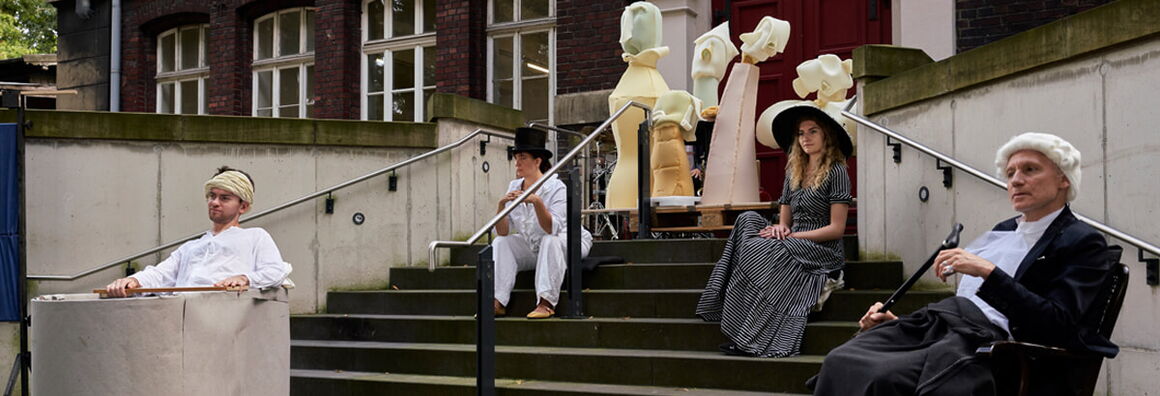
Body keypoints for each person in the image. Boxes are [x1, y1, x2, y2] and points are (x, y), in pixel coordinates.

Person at [810, 132, 1117, 396]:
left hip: (1002, 351)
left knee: (884, 377)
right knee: (841, 360)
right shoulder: (1003, 230)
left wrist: (987, 272)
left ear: (1064, 179)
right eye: (1010, 173)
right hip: (948, 331)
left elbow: (1057, 324)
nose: (1017, 180)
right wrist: (898, 323)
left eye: (1030, 169)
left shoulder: (1082, 242)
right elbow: (968, 306)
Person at [695, 103, 854, 357]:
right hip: (792, 239)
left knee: (765, 249)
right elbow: (784, 220)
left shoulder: (837, 172)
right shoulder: (795, 170)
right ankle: (732, 312)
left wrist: (790, 236)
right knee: (747, 221)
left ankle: (752, 338)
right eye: (801, 133)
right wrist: (780, 228)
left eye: (813, 131)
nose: (806, 138)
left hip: (822, 249)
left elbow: (836, 229)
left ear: (827, 135)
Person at [105, 166, 291, 297]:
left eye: (224, 198)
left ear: (243, 206)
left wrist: (245, 278)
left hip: (228, 322)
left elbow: (275, 271)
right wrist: (133, 281)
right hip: (182, 319)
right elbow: (161, 274)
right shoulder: (191, 247)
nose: (214, 202)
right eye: (212, 196)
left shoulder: (255, 237)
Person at [493, 128, 594, 319]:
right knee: (500, 243)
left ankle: (546, 302)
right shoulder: (514, 187)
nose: (517, 162)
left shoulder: (556, 187)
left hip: (567, 241)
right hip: (534, 246)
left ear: (537, 161)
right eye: (516, 157)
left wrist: (537, 202)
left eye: (522, 157)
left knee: (549, 240)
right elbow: (503, 232)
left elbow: (552, 229)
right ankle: (497, 301)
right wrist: (501, 205)